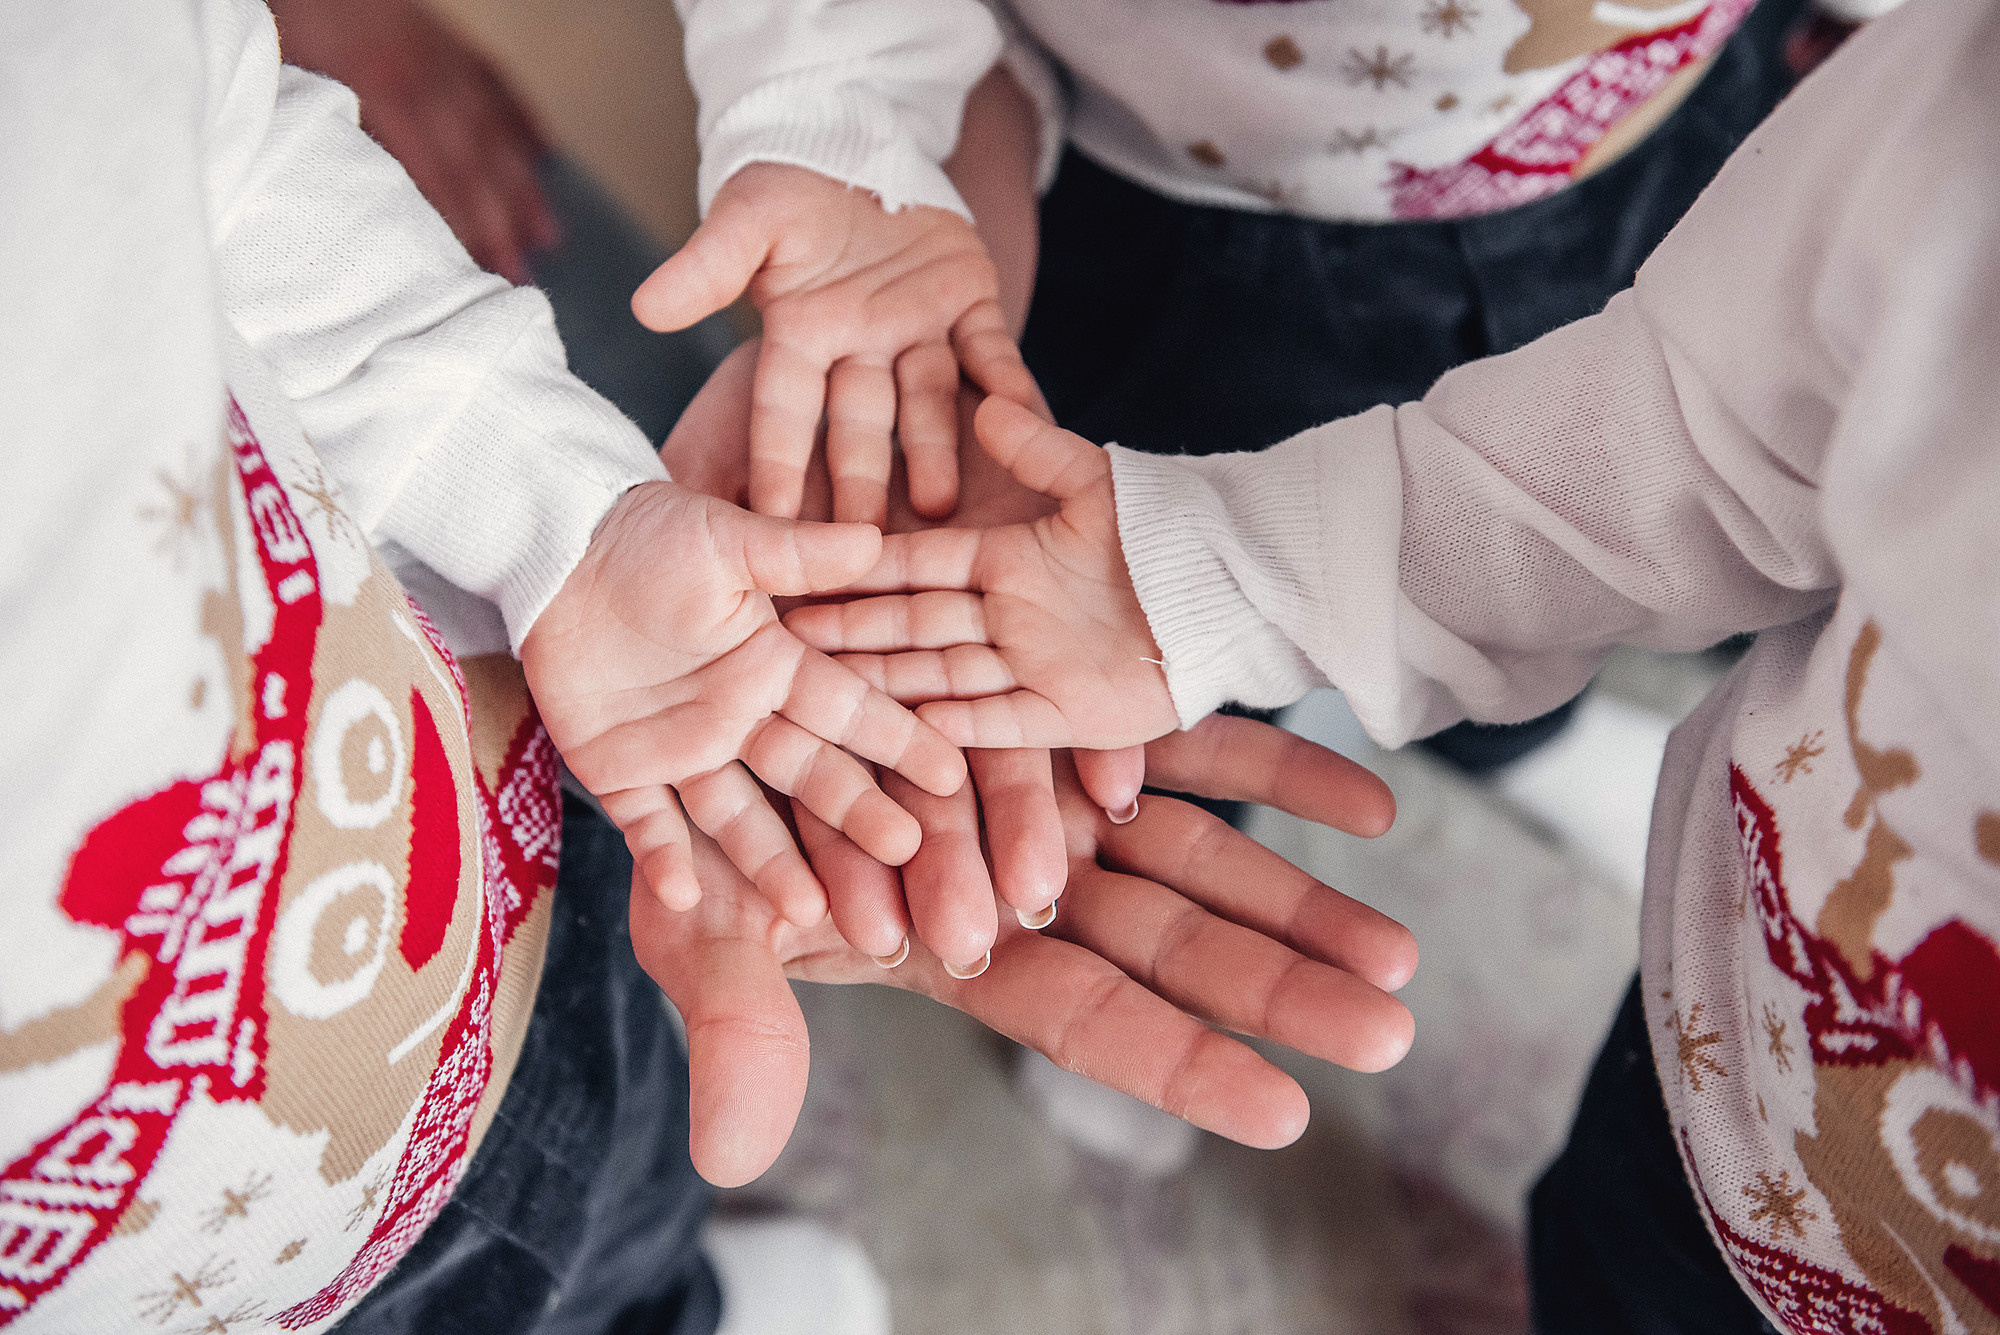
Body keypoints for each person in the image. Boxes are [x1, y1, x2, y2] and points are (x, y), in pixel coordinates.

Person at [0, 5, 1418, 1333]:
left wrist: (557, 514)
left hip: (527, 891)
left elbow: (211, 138)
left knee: (633, 1216)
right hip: (232, 1289)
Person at [783, 0, 2000, 1328]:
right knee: (1164, 636)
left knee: (1534, 575)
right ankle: (1141, 868)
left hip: (1656, 138)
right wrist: (1203, 581)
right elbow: (1691, 443)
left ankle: (1510, 738)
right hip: (1206, 208)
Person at [641, 0, 1891, 781]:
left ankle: (1518, 753)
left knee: (1574, 554)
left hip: (1673, 138)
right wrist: (861, 128)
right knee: (1138, 642)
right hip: (1185, 223)